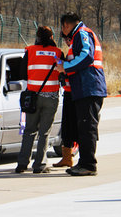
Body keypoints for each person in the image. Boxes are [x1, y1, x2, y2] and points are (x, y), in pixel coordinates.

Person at [56, 12, 107, 176]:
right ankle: (84, 162)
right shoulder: (80, 34)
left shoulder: (81, 34)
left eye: (62, 27)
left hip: (89, 88)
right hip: (85, 88)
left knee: (87, 128)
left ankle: (88, 164)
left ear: (66, 25)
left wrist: (65, 66)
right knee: (85, 128)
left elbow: (86, 56)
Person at [15, 26, 62, 174]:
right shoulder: (58, 53)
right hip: (51, 97)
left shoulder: (30, 51)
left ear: (37, 36)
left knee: (29, 130)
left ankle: (22, 164)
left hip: (33, 97)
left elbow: (22, 73)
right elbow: (63, 73)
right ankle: (40, 165)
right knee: (44, 132)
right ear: (52, 37)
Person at [53, 33, 78, 168]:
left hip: (76, 93)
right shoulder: (69, 52)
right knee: (66, 127)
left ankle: (71, 157)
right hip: (68, 93)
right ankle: (66, 157)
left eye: (68, 39)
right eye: (65, 40)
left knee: (75, 125)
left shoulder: (75, 52)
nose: (67, 42)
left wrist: (63, 67)